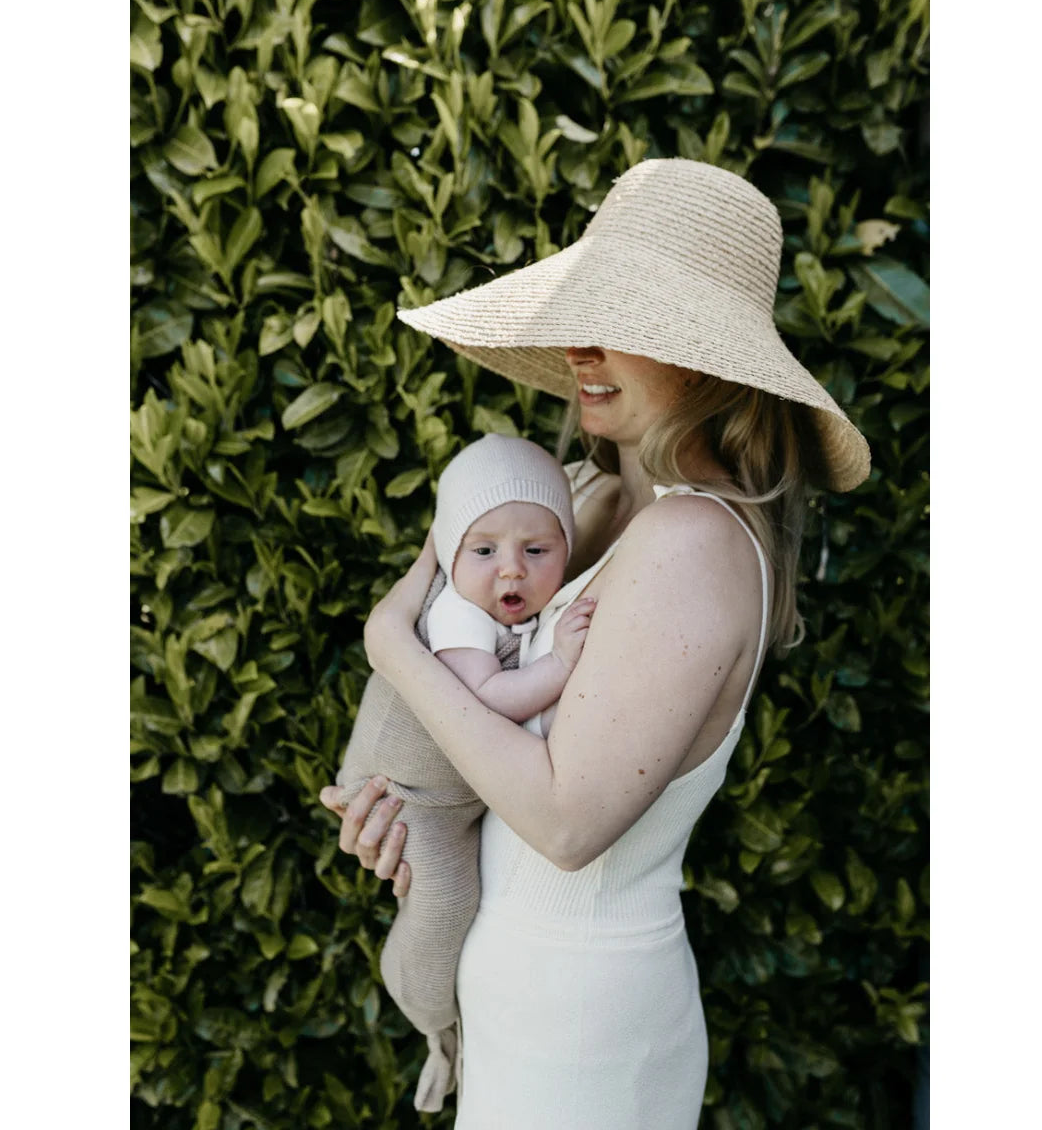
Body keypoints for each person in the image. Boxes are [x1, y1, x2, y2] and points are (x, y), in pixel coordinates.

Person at [320, 157, 870, 1128]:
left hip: (580, 1026)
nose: (579, 346)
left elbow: (569, 820)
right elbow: (511, 755)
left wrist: (388, 641)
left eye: (619, 321)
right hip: (526, 990)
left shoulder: (692, 540)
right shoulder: (600, 502)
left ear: (699, 356)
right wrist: (413, 818)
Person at [335, 433, 594, 1111]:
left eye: (536, 551)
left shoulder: (508, 603)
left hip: (455, 798)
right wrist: (561, 666)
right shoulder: (455, 611)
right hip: (410, 796)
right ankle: (428, 1018)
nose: (511, 572)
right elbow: (482, 702)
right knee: (444, 906)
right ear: (450, 556)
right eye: (484, 551)